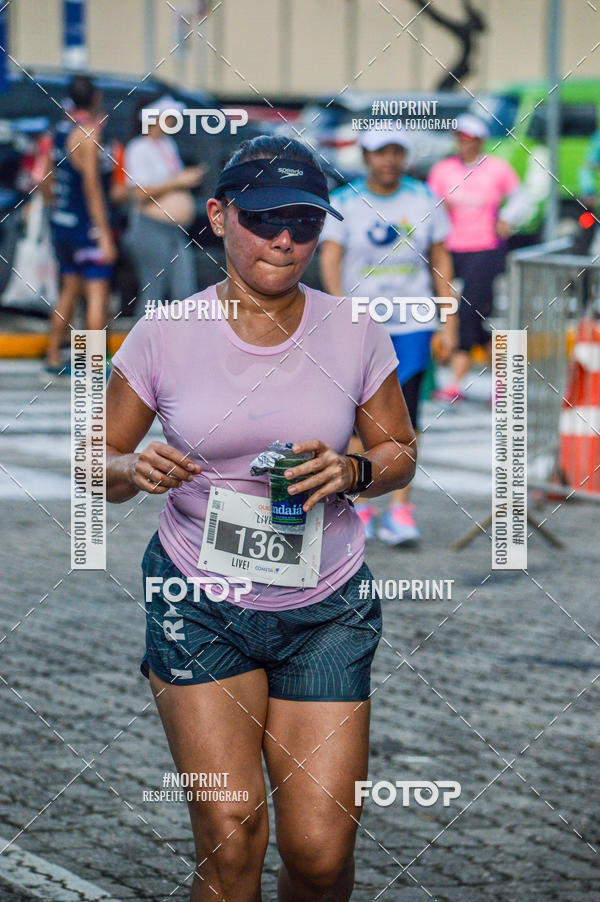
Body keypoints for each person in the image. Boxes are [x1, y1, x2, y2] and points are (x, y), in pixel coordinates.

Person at [106, 134, 416, 902]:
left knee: (318, 852)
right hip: (200, 603)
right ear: (218, 216)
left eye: (305, 223)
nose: (285, 238)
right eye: (266, 217)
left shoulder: (353, 330)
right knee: (233, 831)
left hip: (326, 607)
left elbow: (401, 449)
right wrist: (130, 467)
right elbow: (96, 460)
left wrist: (354, 469)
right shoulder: (166, 332)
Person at [319, 122, 457, 545]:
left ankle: (400, 510)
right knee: (355, 421)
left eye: (397, 151)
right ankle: (358, 506)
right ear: (365, 157)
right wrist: (342, 311)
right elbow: (330, 260)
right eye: (380, 152)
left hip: (412, 324)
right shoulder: (344, 202)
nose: (389, 160)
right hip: (361, 326)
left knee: (406, 422)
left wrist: (448, 321)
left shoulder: (423, 200)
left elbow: (441, 261)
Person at [427, 113, 530, 401]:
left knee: (469, 312)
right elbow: (431, 205)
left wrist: (508, 218)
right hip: (450, 248)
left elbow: (523, 197)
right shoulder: (443, 170)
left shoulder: (496, 169)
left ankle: (456, 383)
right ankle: (504, 377)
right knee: (456, 313)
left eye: (470, 138)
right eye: (460, 138)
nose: (464, 143)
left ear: (481, 141)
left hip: (486, 248)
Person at [42, 74, 117, 375]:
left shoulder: (59, 131)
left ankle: (51, 356)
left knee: (69, 290)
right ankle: (92, 363)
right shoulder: (88, 135)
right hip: (86, 226)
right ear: (96, 98)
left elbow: (47, 180)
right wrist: (104, 234)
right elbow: (92, 188)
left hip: (62, 224)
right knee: (97, 292)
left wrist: (55, 209)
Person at [122, 95, 206, 317]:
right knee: (153, 298)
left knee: (185, 295)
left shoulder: (168, 145)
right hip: (151, 229)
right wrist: (179, 181)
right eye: (167, 117)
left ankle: (180, 350)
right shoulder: (138, 148)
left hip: (175, 231)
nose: (172, 122)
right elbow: (140, 193)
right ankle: (142, 350)